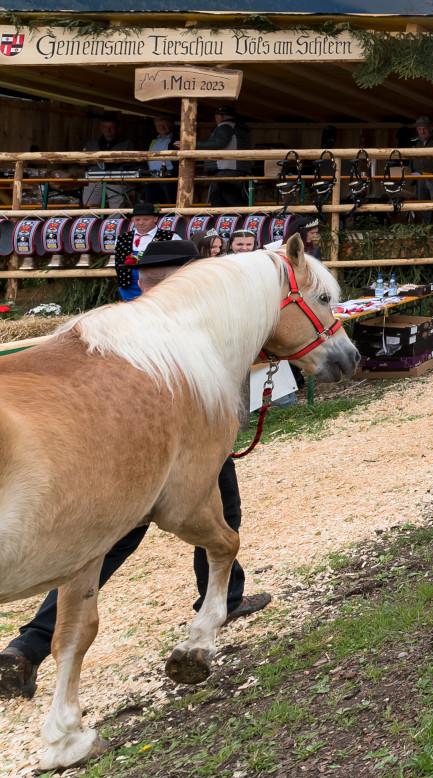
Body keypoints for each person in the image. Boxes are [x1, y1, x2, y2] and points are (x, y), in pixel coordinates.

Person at [1, 254, 273, 703]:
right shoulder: (178, 325)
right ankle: (224, 597)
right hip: (170, 433)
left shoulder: (126, 319)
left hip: (123, 444)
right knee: (215, 510)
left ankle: (29, 645)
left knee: (99, 546)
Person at [204, 106, 253, 209]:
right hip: (235, 168)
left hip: (225, 168)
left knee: (228, 199)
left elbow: (218, 144)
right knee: (221, 198)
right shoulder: (239, 127)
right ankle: (240, 221)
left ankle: (249, 220)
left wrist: (192, 145)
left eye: (216, 115)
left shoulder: (225, 126)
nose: (215, 118)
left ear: (222, 116)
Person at [81, 118, 133, 208]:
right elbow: (81, 162)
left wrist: (117, 162)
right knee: (89, 206)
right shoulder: (92, 143)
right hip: (94, 177)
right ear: (101, 128)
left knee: (117, 207)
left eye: (111, 127)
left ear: (117, 128)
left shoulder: (126, 143)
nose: (108, 129)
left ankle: (115, 222)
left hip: (116, 178)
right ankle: (92, 222)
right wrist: (94, 160)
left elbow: (133, 162)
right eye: (105, 127)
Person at [145, 116, 178, 205]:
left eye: (164, 125)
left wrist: (174, 172)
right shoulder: (153, 140)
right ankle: (155, 219)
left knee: (173, 202)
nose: (161, 128)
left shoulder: (177, 140)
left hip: (169, 176)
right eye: (158, 126)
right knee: (152, 204)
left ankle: (174, 218)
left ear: (171, 126)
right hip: (152, 176)